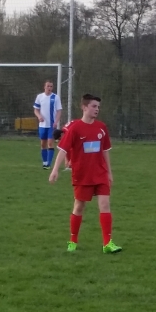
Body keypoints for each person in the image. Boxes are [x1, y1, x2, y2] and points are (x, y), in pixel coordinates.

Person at [48, 94, 121, 254]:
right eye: (94, 106)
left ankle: (107, 243)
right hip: (82, 175)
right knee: (79, 206)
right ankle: (73, 240)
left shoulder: (102, 127)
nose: (97, 109)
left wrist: (109, 172)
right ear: (84, 107)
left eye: (98, 107)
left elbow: (105, 151)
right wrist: (55, 170)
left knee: (105, 205)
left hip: (100, 173)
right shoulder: (75, 128)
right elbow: (63, 149)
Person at [34, 80, 62, 168]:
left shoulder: (55, 97)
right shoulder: (39, 97)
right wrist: (39, 116)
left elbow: (59, 111)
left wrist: (56, 121)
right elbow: (36, 109)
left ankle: (48, 164)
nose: (49, 88)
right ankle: (45, 162)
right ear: (44, 87)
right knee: (43, 144)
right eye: (48, 86)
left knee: (50, 143)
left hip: (51, 125)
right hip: (42, 125)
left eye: (51, 86)